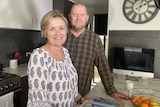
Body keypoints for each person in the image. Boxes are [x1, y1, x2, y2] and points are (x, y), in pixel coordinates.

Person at [63, 2, 129, 103]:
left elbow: (103, 66)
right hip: (59, 93)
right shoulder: (60, 36)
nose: (78, 18)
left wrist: (111, 90)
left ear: (87, 17)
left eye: (82, 15)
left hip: (83, 97)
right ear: (69, 16)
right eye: (74, 14)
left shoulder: (95, 39)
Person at [27, 10, 79, 107]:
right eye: (52, 29)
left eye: (61, 28)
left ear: (66, 30)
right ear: (45, 32)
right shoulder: (39, 56)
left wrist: (81, 98)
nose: (57, 33)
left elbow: (69, 85)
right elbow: (38, 102)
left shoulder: (65, 52)